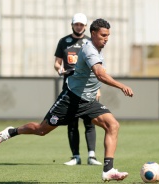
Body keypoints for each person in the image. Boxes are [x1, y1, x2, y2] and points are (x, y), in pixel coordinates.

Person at [0, 18, 133, 182]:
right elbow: (100, 74)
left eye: (108, 35)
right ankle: (11, 131)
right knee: (41, 130)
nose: (106, 39)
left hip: (88, 102)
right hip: (70, 100)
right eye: (103, 35)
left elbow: (94, 76)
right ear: (93, 34)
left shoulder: (96, 47)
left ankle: (108, 170)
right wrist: (121, 86)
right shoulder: (89, 50)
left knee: (113, 125)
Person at [54, 13, 102, 166]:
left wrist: (98, 89)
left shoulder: (90, 42)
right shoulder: (64, 41)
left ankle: (92, 156)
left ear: (86, 26)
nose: (79, 27)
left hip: (87, 87)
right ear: (72, 25)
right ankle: (75, 156)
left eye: (82, 24)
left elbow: (97, 67)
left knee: (89, 121)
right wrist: (59, 69)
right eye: (76, 24)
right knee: (71, 122)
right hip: (69, 86)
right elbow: (57, 62)